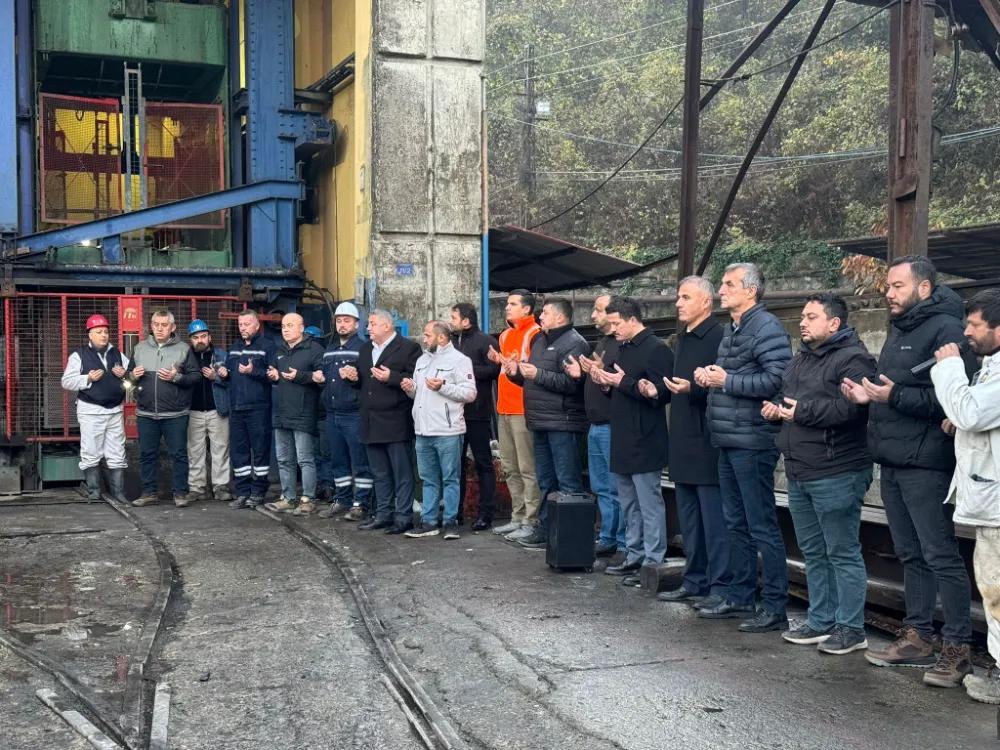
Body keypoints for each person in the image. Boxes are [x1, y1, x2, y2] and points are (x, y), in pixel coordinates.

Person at [843, 255, 977, 686]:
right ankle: (917, 636)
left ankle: (957, 648)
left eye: (897, 286)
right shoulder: (902, 328)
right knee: (910, 553)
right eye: (888, 286)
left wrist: (894, 396)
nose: (888, 293)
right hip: (894, 459)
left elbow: (953, 402)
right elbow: (894, 391)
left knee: (940, 555)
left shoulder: (948, 330)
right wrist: (869, 397)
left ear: (923, 288)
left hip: (928, 462)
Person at [763, 294, 877, 655]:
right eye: (803, 316)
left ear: (834, 323)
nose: (803, 322)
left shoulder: (854, 358)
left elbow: (854, 410)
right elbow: (790, 402)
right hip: (800, 468)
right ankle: (821, 619)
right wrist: (776, 410)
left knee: (842, 551)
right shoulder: (800, 359)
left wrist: (802, 412)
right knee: (813, 550)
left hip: (837, 469)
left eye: (811, 317)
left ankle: (851, 628)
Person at [697, 262, 792, 632]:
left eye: (729, 284)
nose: (721, 290)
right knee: (736, 522)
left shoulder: (766, 327)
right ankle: (739, 596)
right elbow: (736, 377)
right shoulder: (734, 329)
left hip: (753, 442)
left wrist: (726, 380)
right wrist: (710, 377)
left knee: (761, 525)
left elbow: (776, 380)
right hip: (729, 439)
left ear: (751, 291)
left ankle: (775, 607)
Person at [930, 289, 1000, 703]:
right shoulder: (991, 367)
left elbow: (971, 411)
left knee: (997, 591)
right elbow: (977, 415)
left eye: (974, 324)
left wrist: (950, 367)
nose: (966, 332)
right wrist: (962, 420)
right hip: (992, 502)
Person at [658, 277, 729, 608]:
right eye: (678, 297)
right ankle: (694, 580)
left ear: (706, 303)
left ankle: (719, 586)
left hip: (707, 441)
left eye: (686, 297)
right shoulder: (683, 338)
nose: (678, 303)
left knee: (714, 523)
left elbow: (724, 387)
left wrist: (693, 389)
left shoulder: (719, 337)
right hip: (682, 438)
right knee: (689, 521)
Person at [592, 297, 673, 585]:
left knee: (648, 503)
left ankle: (653, 560)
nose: (613, 329)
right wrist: (606, 382)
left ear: (633, 320)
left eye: (616, 323)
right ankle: (634, 553)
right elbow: (622, 387)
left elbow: (662, 393)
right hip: (622, 434)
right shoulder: (623, 348)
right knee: (628, 502)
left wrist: (622, 383)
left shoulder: (656, 349)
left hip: (645, 437)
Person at [507, 296, 590, 550]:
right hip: (540, 421)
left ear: (560, 317)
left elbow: (572, 384)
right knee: (545, 481)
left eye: (544, 313)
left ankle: (570, 540)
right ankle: (545, 531)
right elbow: (534, 379)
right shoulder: (540, 341)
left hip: (563, 422)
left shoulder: (575, 343)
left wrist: (537, 374)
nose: (540, 317)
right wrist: (516, 373)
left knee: (568, 483)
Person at [344, 309, 421, 534]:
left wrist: (392, 377)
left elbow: (416, 380)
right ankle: (383, 515)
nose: (367, 328)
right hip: (370, 420)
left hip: (396, 420)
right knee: (379, 472)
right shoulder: (366, 349)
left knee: (402, 473)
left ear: (387, 326)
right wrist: (352, 378)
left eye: (372, 324)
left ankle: (404, 517)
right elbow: (362, 381)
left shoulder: (408, 348)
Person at [563, 295, 625, 558]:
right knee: (600, 487)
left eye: (598, 310)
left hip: (613, 426)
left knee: (616, 487)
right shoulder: (601, 343)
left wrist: (602, 372)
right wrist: (582, 374)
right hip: (596, 426)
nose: (592, 316)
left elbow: (622, 382)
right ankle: (608, 537)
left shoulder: (622, 345)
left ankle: (622, 542)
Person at [404, 321, 477, 540]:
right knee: (428, 479)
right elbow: (419, 394)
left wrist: (443, 386)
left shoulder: (460, 360)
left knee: (450, 478)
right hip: (423, 431)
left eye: (428, 335)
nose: (424, 339)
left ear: (441, 338)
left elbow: (470, 393)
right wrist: (410, 389)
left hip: (448, 431)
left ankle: (450, 522)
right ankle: (429, 521)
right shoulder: (422, 360)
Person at [127, 309, 200, 507]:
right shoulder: (139, 349)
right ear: (151, 326)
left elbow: (195, 377)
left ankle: (180, 493)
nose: (159, 329)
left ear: (173, 327)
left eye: (164, 325)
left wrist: (177, 377)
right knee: (146, 455)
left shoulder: (183, 349)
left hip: (175, 413)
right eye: (156, 324)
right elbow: (127, 379)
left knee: (179, 455)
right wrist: (133, 375)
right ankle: (148, 493)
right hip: (146, 412)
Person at [489, 290, 542, 541]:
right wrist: (498, 361)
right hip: (504, 408)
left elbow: (535, 369)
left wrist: (513, 366)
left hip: (523, 409)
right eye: (507, 303)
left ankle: (531, 520)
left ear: (527, 309)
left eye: (512, 304)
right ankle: (517, 517)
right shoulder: (505, 335)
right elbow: (506, 369)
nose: (507, 307)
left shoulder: (536, 334)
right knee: (509, 467)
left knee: (527, 468)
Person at [60, 314, 129, 504]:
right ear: (90, 334)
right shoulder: (79, 355)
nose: (103, 335)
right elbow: (66, 382)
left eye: (105, 331)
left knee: (117, 451)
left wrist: (125, 375)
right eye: (98, 332)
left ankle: (118, 493)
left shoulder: (118, 354)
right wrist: (87, 378)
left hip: (115, 410)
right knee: (91, 451)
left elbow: (131, 379)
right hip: (90, 410)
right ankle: (94, 492)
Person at [315, 302, 373, 521]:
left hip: (354, 414)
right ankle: (343, 500)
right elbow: (327, 378)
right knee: (338, 461)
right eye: (339, 321)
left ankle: (361, 504)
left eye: (347, 321)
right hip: (332, 414)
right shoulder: (330, 349)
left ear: (357, 324)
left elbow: (368, 380)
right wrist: (320, 379)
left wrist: (355, 378)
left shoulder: (364, 348)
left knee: (360, 461)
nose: (342, 324)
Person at [264, 313, 325, 516]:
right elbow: (276, 375)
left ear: (301, 328)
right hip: (282, 413)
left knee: (305, 459)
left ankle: (308, 499)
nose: (286, 329)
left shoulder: (314, 350)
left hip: (303, 412)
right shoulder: (279, 350)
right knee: (284, 459)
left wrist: (300, 376)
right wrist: (274, 376)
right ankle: (288, 498)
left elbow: (322, 377)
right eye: (283, 326)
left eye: (290, 325)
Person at [220, 309, 278, 509]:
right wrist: (224, 374)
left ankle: (258, 492)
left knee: (260, 451)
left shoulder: (267, 347)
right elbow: (229, 374)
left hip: (258, 408)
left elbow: (273, 376)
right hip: (236, 408)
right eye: (240, 324)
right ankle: (243, 492)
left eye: (246, 324)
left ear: (257, 325)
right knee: (239, 452)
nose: (242, 328)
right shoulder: (234, 348)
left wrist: (254, 371)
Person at [450, 302, 500, 530]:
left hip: (478, 412)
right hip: (453, 413)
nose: (450, 322)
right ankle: (455, 512)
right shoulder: (451, 342)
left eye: (454, 318)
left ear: (466, 321)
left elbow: (494, 370)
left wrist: (466, 371)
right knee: (455, 465)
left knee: (483, 463)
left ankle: (485, 513)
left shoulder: (486, 341)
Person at [186, 319, 231, 503]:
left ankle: (221, 488)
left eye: (203, 336)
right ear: (191, 340)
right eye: (196, 337)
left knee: (221, 451)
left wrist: (216, 378)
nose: (200, 340)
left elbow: (232, 381)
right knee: (194, 452)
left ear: (210, 337)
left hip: (217, 410)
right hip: (192, 411)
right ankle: (196, 489)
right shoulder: (185, 356)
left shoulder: (222, 355)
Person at [305, 325, 333, 499]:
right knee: (319, 453)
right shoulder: (322, 355)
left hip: (320, 414)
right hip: (315, 414)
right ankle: (324, 486)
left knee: (322, 453)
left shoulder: (321, 357)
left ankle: (326, 485)